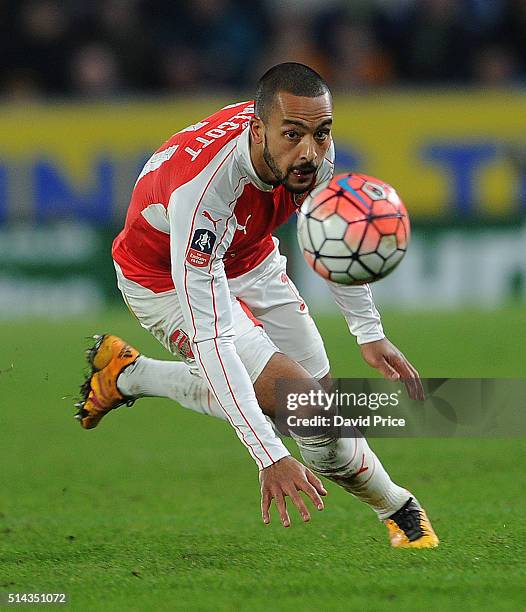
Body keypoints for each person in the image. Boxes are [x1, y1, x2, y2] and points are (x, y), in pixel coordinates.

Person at [76, 62, 438, 547]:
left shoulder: (310, 154)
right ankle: (398, 508)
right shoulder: (204, 192)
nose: (309, 151)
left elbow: (334, 241)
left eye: (322, 133)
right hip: (165, 279)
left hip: (250, 256)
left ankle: (129, 375)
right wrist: (269, 456)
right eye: (293, 135)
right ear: (258, 128)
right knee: (305, 407)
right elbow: (213, 340)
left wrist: (368, 333)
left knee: (319, 414)